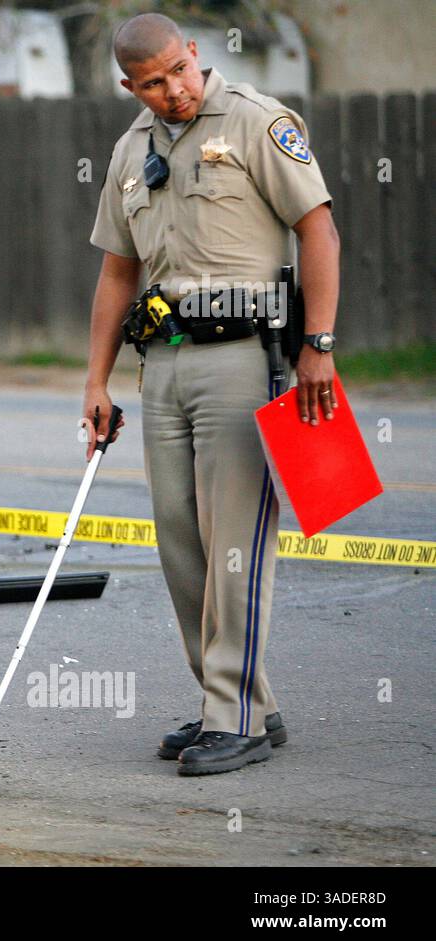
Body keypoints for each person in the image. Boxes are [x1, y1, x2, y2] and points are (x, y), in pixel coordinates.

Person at [80, 13, 340, 775]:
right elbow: (117, 272)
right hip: (162, 362)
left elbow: (318, 230)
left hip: (243, 360)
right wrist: (95, 380)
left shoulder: (258, 121)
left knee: (236, 544)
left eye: (179, 70)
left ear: (194, 54)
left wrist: (319, 345)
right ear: (130, 86)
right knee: (181, 544)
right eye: (152, 83)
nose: (173, 90)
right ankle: (234, 701)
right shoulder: (129, 152)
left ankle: (235, 718)